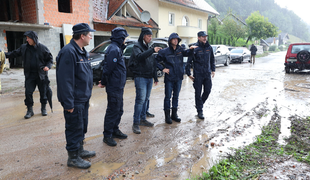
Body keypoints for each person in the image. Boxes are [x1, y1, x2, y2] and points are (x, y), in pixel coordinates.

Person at [56, 23, 96, 169]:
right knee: (74, 127)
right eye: (89, 34)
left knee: (81, 126)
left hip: (83, 98)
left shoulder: (82, 51)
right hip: (75, 99)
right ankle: (72, 157)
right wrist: (69, 103)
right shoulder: (69, 52)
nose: (91, 36)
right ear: (82, 36)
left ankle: (79, 150)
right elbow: (65, 80)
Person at [4, 31, 53, 119]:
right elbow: (14, 53)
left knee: (43, 92)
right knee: (28, 93)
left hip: (41, 75)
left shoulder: (42, 48)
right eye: (26, 38)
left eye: (28, 38)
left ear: (34, 38)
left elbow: (50, 59)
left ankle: (43, 108)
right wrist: (3, 55)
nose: (27, 40)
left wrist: (48, 66)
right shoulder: (24, 47)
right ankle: (30, 110)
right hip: (30, 75)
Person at [156, 33, 197, 124]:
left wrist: (191, 50)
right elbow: (155, 60)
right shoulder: (165, 51)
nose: (176, 40)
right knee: (167, 97)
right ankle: (167, 116)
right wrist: (162, 68)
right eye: (174, 39)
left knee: (176, 96)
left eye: (177, 39)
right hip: (169, 77)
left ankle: (174, 115)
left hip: (178, 77)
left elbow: (188, 54)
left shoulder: (180, 49)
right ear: (170, 40)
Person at [98, 27, 129, 147]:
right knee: (112, 110)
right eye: (124, 38)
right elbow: (108, 68)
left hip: (118, 85)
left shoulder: (117, 48)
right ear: (120, 38)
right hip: (114, 85)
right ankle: (108, 135)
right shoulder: (113, 49)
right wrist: (104, 81)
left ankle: (115, 130)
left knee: (119, 109)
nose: (125, 40)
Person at [129, 27, 162, 134]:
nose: (150, 37)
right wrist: (152, 50)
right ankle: (136, 123)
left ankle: (143, 119)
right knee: (140, 100)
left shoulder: (149, 47)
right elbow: (139, 57)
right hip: (140, 77)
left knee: (146, 99)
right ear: (143, 36)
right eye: (148, 36)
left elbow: (152, 63)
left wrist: (155, 77)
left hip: (149, 77)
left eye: (151, 36)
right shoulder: (137, 46)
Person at [185, 31, 215, 120]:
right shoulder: (195, 48)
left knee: (208, 90)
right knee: (197, 93)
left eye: (206, 36)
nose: (205, 38)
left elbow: (212, 59)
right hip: (198, 75)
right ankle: (200, 111)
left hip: (207, 74)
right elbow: (189, 62)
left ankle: (199, 104)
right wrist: (188, 74)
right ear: (198, 37)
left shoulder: (209, 47)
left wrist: (213, 70)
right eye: (203, 37)